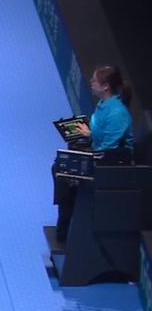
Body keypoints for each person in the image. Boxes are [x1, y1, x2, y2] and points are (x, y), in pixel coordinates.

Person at [53, 66, 134, 242]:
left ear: (105, 87)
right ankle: (66, 222)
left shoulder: (117, 114)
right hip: (99, 152)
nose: (91, 82)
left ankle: (65, 230)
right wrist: (88, 133)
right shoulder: (103, 104)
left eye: (94, 81)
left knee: (61, 170)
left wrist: (86, 150)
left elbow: (108, 148)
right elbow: (101, 135)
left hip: (109, 164)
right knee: (60, 166)